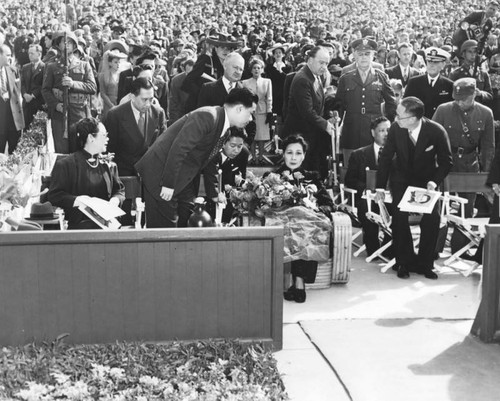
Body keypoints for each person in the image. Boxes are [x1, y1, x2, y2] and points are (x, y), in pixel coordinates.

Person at [135, 87, 257, 228]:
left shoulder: (223, 125)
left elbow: (209, 159)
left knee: (184, 224)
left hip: (181, 178)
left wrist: (214, 193)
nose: (250, 119)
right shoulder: (208, 116)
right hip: (161, 176)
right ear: (239, 109)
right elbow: (179, 148)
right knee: (164, 231)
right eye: (250, 113)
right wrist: (168, 184)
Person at [376, 97, 452, 280]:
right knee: (400, 218)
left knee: (432, 219)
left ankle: (426, 263)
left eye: (399, 116)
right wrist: (379, 187)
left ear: (413, 118)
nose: (395, 119)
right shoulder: (396, 129)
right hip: (401, 178)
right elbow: (386, 158)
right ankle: (404, 261)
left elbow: (446, 162)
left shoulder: (436, 131)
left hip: (427, 181)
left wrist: (434, 182)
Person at [276, 135, 334, 303]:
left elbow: (329, 204)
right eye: (289, 153)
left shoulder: (313, 177)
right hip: (284, 226)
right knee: (293, 227)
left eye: (298, 153)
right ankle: (294, 282)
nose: (293, 158)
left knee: (306, 227)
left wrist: (314, 210)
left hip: (308, 226)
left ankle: (298, 280)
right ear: (283, 154)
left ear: (304, 155)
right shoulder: (273, 176)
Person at [48, 117, 125, 230]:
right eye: (104, 135)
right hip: (79, 228)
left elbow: (119, 190)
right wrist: (79, 201)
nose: (107, 139)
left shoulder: (109, 165)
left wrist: (115, 201)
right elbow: (55, 196)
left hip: (108, 227)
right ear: (91, 138)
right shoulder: (66, 165)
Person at [335, 38, 396, 166]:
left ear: (373, 56)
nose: (364, 58)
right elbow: (338, 106)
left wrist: (388, 125)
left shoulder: (381, 77)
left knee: (374, 168)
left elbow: (391, 104)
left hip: (373, 131)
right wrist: (336, 124)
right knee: (350, 167)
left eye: (367, 54)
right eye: (360, 54)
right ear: (354, 56)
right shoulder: (346, 78)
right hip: (352, 130)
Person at [42, 31, 97, 154]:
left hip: (79, 114)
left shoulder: (84, 65)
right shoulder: (51, 66)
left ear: (75, 45)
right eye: (63, 42)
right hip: (59, 115)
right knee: (61, 152)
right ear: (58, 45)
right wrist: (56, 105)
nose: (66, 45)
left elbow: (92, 87)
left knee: (79, 150)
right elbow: (45, 90)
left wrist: (73, 84)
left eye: (70, 42)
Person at [283, 46, 334, 179]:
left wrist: (329, 118)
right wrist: (326, 125)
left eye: (326, 63)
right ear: (310, 60)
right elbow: (307, 112)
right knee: (299, 175)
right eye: (321, 62)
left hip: (311, 134)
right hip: (300, 135)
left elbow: (318, 106)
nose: (324, 67)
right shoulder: (303, 79)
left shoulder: (315, 76)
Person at [345, 117, 391, 256]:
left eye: (388, 130)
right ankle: (373, 247)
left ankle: (389, 247)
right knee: (366, 206)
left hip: (389, 198)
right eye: (381, 130)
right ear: (373, 133)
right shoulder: (359, 154)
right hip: (367, 197)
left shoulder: (397, 155)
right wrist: (365, 189)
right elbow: (350, 180)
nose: (386, 134)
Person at [104, 77, 167, 176]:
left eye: (151, 99)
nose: (148, 104)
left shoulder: (158, 113)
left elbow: (164, 145)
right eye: (144, 100)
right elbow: (110, 149)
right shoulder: (115, 115)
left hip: (151, 172)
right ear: (132, 97)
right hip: (125, 174)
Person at [182, 33, 240, 113]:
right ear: (216, 48)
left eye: (228, 48)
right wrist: (203, 93)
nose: (225, 51)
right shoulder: (206, 60)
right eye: (222, 47)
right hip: (199, 108)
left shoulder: (230, 66)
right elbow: (187, 82)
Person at [204, 129, 249, 224]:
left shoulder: (244, 153)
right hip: (209, 189)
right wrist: (216, 193)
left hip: (230, 193)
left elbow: (241, 175)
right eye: (232, 146)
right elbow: (210, 175)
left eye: (239, 146)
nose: (236, 150)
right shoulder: (213, 153)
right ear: (223, 144)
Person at [404, 47, 453, 119]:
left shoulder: (449, 85)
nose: (431, 65)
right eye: (429, 61)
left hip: (439, 124)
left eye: (435, 62)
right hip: (419, 123)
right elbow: (406, 105)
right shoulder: (414, 82)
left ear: (443, 65)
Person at [242, 58, 273, 165]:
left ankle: (260, 157)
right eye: (254, 68)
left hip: (262, 111)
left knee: (261, 136)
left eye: (258, 68)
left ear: (262, 70)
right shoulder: (245, 83)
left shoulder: (267, 81)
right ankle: (253, 157)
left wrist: (269, 111)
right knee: (252, 135)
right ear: (251, 70)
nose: (256, 70)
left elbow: (269, 98)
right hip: (251, 112)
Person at [449, 40, 493, 106]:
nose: (473, 54)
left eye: (475, 52)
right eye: (470, 52)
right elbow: (450, 96)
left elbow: (490, 95)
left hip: (478, 111)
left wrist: (480, 93)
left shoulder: (483, 73)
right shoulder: (455, 74)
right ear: (463, 54)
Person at [0, 44, 24, 154]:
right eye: (8, 55)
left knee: (14, 153)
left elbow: (18, 93)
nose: (11, 58)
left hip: (12, 121)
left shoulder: (13, 71)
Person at [20, 44, 45, 128]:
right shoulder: (25, 67)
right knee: (26, 127)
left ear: (39, 54)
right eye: (29, 53)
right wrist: (24, 94)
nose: (30, 55)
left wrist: (33, 95)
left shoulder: (45, 67)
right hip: (26, 103)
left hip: (38, 103)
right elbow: (22, 83)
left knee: (37, 129)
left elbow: (44, 84)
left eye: (32, 53)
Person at [98, 49, 127, 119]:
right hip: (108, 105)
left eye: (119, 62)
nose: (118, 64)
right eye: (115, 62)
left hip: (120, 103)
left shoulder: (122, 75)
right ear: (110, 63)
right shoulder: (103, 75)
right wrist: (111, 105)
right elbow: (103, 93)